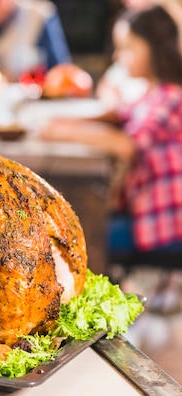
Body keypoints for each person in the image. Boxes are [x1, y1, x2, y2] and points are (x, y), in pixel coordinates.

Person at [40, 6, 182, 263]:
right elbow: (119, 116)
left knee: (82, 233)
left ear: (154, 48)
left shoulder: (171, 97)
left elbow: (129, 145)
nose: (118, 56)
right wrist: (67, 118)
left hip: (164, 223)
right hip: (148, 213)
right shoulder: (152, 93)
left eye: (127, 48)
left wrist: (67, 131)